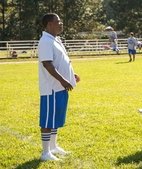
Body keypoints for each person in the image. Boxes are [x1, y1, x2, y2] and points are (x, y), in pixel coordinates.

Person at [38, 13, 80, 161]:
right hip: (51, 88)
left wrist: (71, 75)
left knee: (55, 118)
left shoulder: (55, 39)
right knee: (48, 120)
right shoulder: (45, 41)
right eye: (58, 21)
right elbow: (47, 64)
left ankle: (53, 146)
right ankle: (45, 153)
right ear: (50, 24)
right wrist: (63, 81)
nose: (61, 23)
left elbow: (61, 61)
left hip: (59, 87)